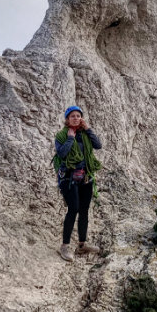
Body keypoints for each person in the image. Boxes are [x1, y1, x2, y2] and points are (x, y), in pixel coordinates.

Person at [53, 105, 102, 261]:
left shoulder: (84, 134)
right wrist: (70, 138)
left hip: (85, 177)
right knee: (73, 209)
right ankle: (65, 247)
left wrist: (88, 130)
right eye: (72, 116)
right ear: (67, 119)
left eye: (78, 116)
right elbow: (61, 153)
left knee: (84, 210)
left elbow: (98, 145)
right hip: (68, 178)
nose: (76, 118)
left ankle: (82, 245)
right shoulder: (61, 135)